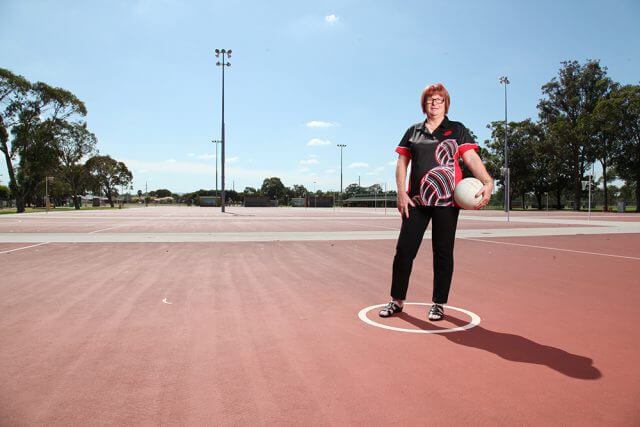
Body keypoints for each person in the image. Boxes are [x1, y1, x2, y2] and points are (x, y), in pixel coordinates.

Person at [379, 83, 493, 321]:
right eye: (430, 99)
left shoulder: (457, 129)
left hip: (448, 202)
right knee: (404, 251)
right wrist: (401, 192)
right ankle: (396, 300)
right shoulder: (413, 131)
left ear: (446, 104)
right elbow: (402, 163)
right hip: (416, 201)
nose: (434, 103)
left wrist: (487, 180)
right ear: (424, 104)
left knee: (442, 253)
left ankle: (438, 303)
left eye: (439, 100)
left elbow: (470, 157)